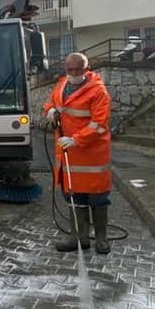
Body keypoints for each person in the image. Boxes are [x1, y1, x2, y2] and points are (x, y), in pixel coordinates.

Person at [43, 52, 113, 254]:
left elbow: (99, 124)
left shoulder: (98, 92)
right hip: (68, 155)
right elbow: (52, 103)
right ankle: (79, 238)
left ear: (87, 68)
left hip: (92, 156)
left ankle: (101, 239)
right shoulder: (62, 85)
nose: (73, 73)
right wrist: (50, 111)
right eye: (70, 69)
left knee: (98, 199)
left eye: (78, 69)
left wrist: (76, 139)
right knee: (75, 198)